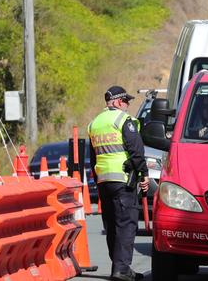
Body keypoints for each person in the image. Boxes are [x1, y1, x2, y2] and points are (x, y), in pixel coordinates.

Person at [88, 86, 149, 281]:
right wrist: (144, 174)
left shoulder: (94, 123)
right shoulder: (124, 121)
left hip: (103, 181)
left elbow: (92, 157)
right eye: (125, 101)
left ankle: (118, 266)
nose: (127, 105)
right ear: (116, 102)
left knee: (112, 225)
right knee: (126, 223)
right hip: (123, 180)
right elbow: (136, 151)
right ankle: (121, 269)